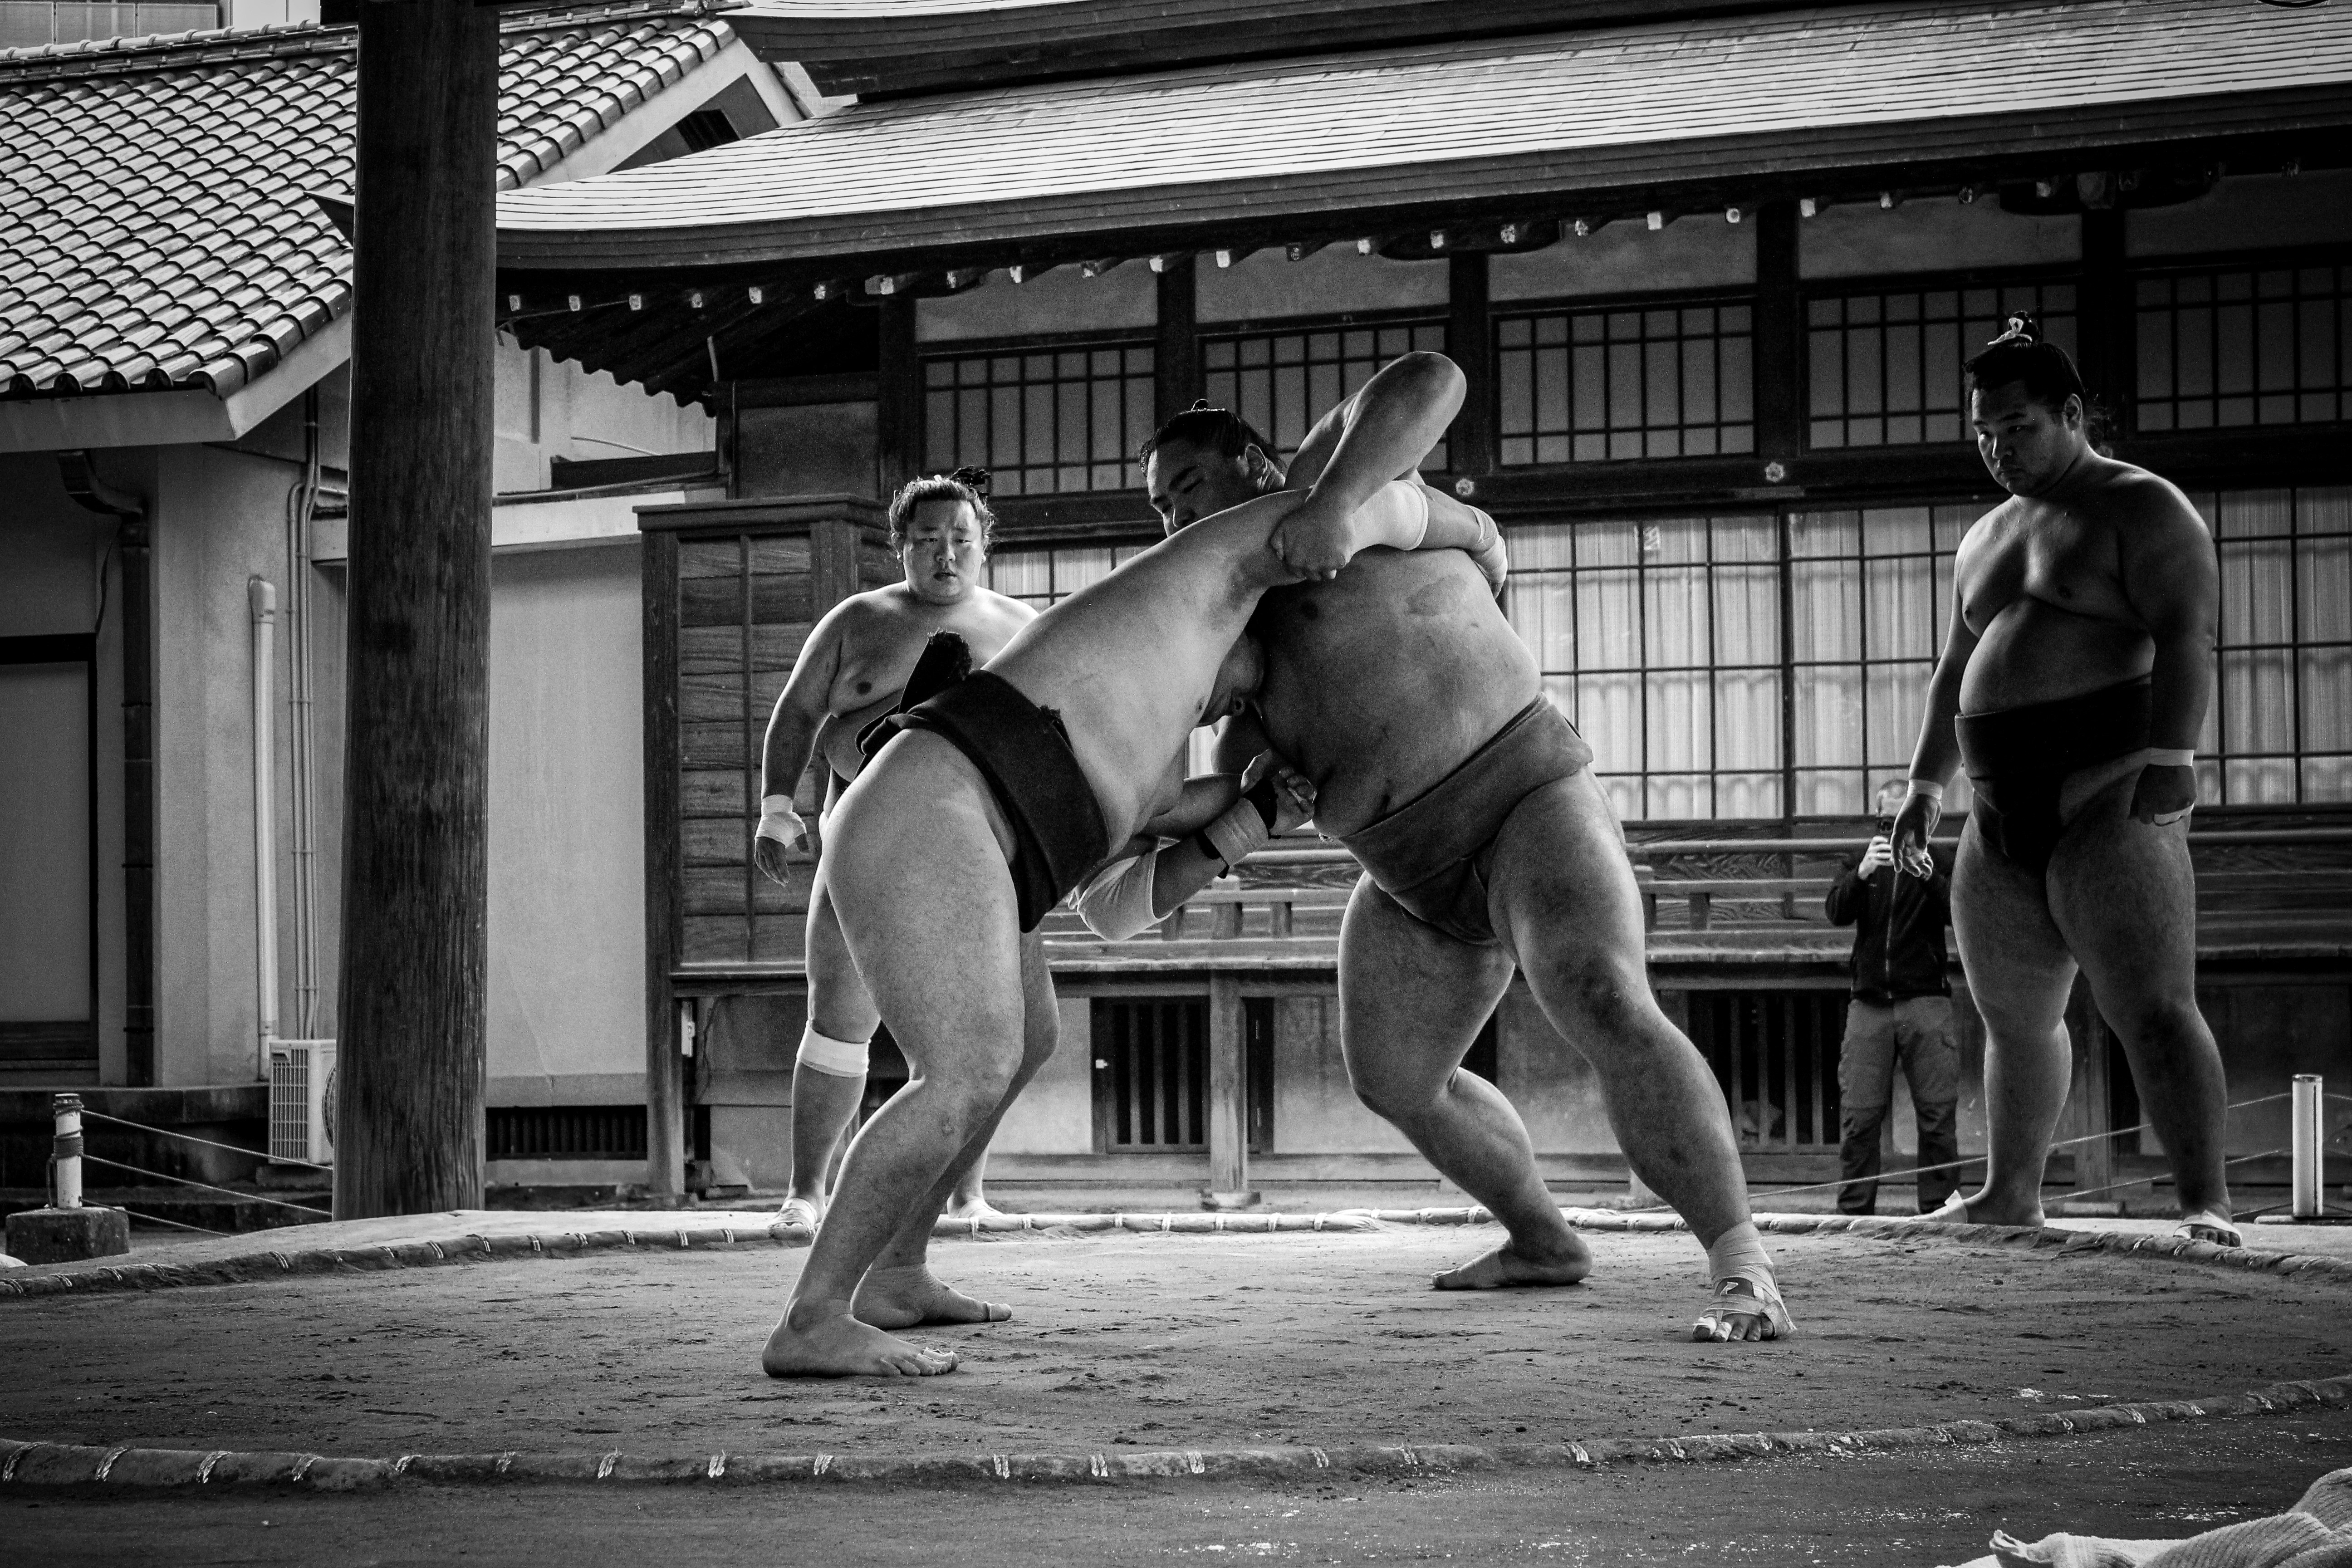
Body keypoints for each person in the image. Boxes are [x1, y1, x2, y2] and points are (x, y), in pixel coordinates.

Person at [761, 395, 1502, 1377]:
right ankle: (814, 1314)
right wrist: (1481, 542)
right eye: (1168, 498)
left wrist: (1246, 815)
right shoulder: (1224, 555)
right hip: (932, 804)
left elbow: (1115, 905)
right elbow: (1425, 382)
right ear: (1257, 473)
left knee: (1027, 1041)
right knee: (963, 1068)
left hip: (995, 835)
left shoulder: (1160, 709)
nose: (1171, 520)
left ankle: (896, 1270)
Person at [1149, 355, 1790, 1344]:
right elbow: (1223, 782)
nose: (1174, 521)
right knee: (1395, 1077)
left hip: (1526, 796)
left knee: (1605, 997)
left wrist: (1338, 501)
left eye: (1186, 488)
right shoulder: (1231, 622)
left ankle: (1742, 1269)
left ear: (1252, 461)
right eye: (1157, 511)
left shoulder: (1343, 485)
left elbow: (1433, 379)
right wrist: (1243, 798)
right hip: (1408, 877)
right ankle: (1544, 1240)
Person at [1891, 315, 2235, 1245]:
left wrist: (2174, 762)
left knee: (2153, 1008)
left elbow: (2185, 637)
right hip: (1996, 805)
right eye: (1982, 432)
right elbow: (1951, 668)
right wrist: (1924, 788)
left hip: (2110, 787)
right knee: (2013, 1020)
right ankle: (2012, 1194)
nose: (1997, 449)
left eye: (2017, 428)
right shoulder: (1984, 538)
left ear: (2072, 413)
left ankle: (2203, 1199)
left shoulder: (2143, 508)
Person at [750, 471, 1035, 1231]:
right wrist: (777, 809)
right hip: (864, 830)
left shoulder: (1020, 625)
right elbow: (798, 712)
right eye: (927, 539)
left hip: (977, 839)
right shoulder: (858, 618)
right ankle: (805, 1192)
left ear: (983, 545)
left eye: (960, 539)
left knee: (976, 1024)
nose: (945, 554)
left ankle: (965, 1192)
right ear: (900, 545)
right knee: (839, 1011)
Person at [1826, 780, 1958, 1217]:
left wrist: (1927, 872)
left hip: (1926, 999)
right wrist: (1861, 875)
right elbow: (1835, 913)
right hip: (1870, 1003)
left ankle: (1939, 1211)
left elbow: (1957, 915)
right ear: (1878, 820)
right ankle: (1853, 1213)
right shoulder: (1864, 860)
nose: (1895, 831)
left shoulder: (1937, 859)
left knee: (1937, 1116)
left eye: (1904, 821)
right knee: (1859, 1117)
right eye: (1887, 821)